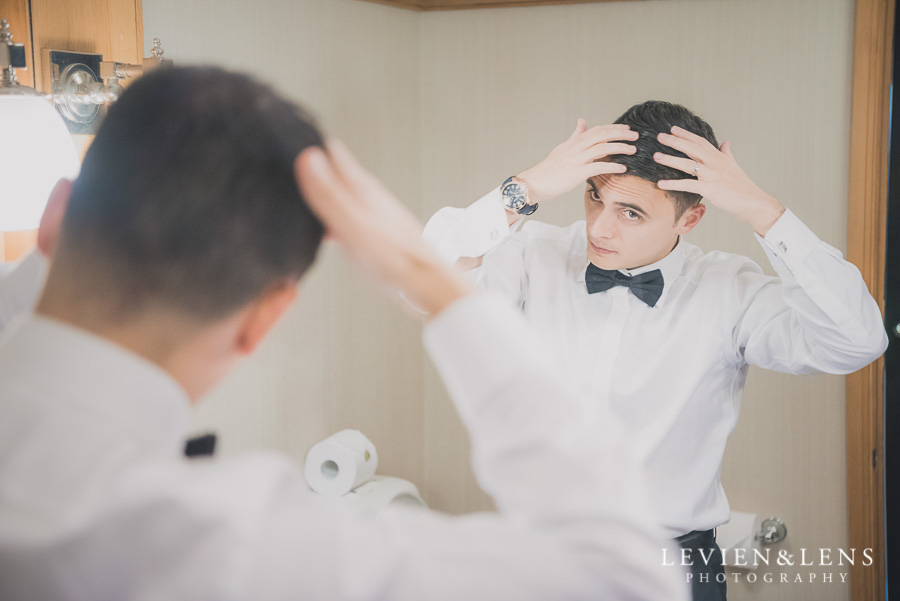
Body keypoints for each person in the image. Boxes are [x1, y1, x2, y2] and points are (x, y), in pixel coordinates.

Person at [0, 67, 686, 601]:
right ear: (267, 319)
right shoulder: (236, 542)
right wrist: (428, 275)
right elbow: (622, 579)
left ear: (56, 213)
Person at [422, 100, 890, 601]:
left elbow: (857, 341)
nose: (600, 227)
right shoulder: (533, 253)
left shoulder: (729, 291)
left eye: (631, 212)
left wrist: (762, 210)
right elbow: (425, 284)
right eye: (594, 199)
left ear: (690, 220)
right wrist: (528, 187)